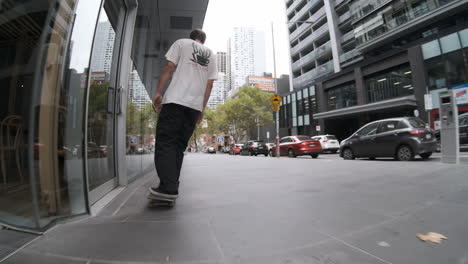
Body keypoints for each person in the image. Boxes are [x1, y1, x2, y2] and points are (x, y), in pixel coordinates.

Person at [150, 29, 217, 199]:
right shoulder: (211, 55)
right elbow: (209, 85)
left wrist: (158, 91)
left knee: (165, 143)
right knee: (178, 147)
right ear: (203, 39)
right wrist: (201, 109)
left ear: (192, 38)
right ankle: (171, 184)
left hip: (175, 102)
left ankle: (168, 188)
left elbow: (170, 67)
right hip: (193, 108)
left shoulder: (181, 43)